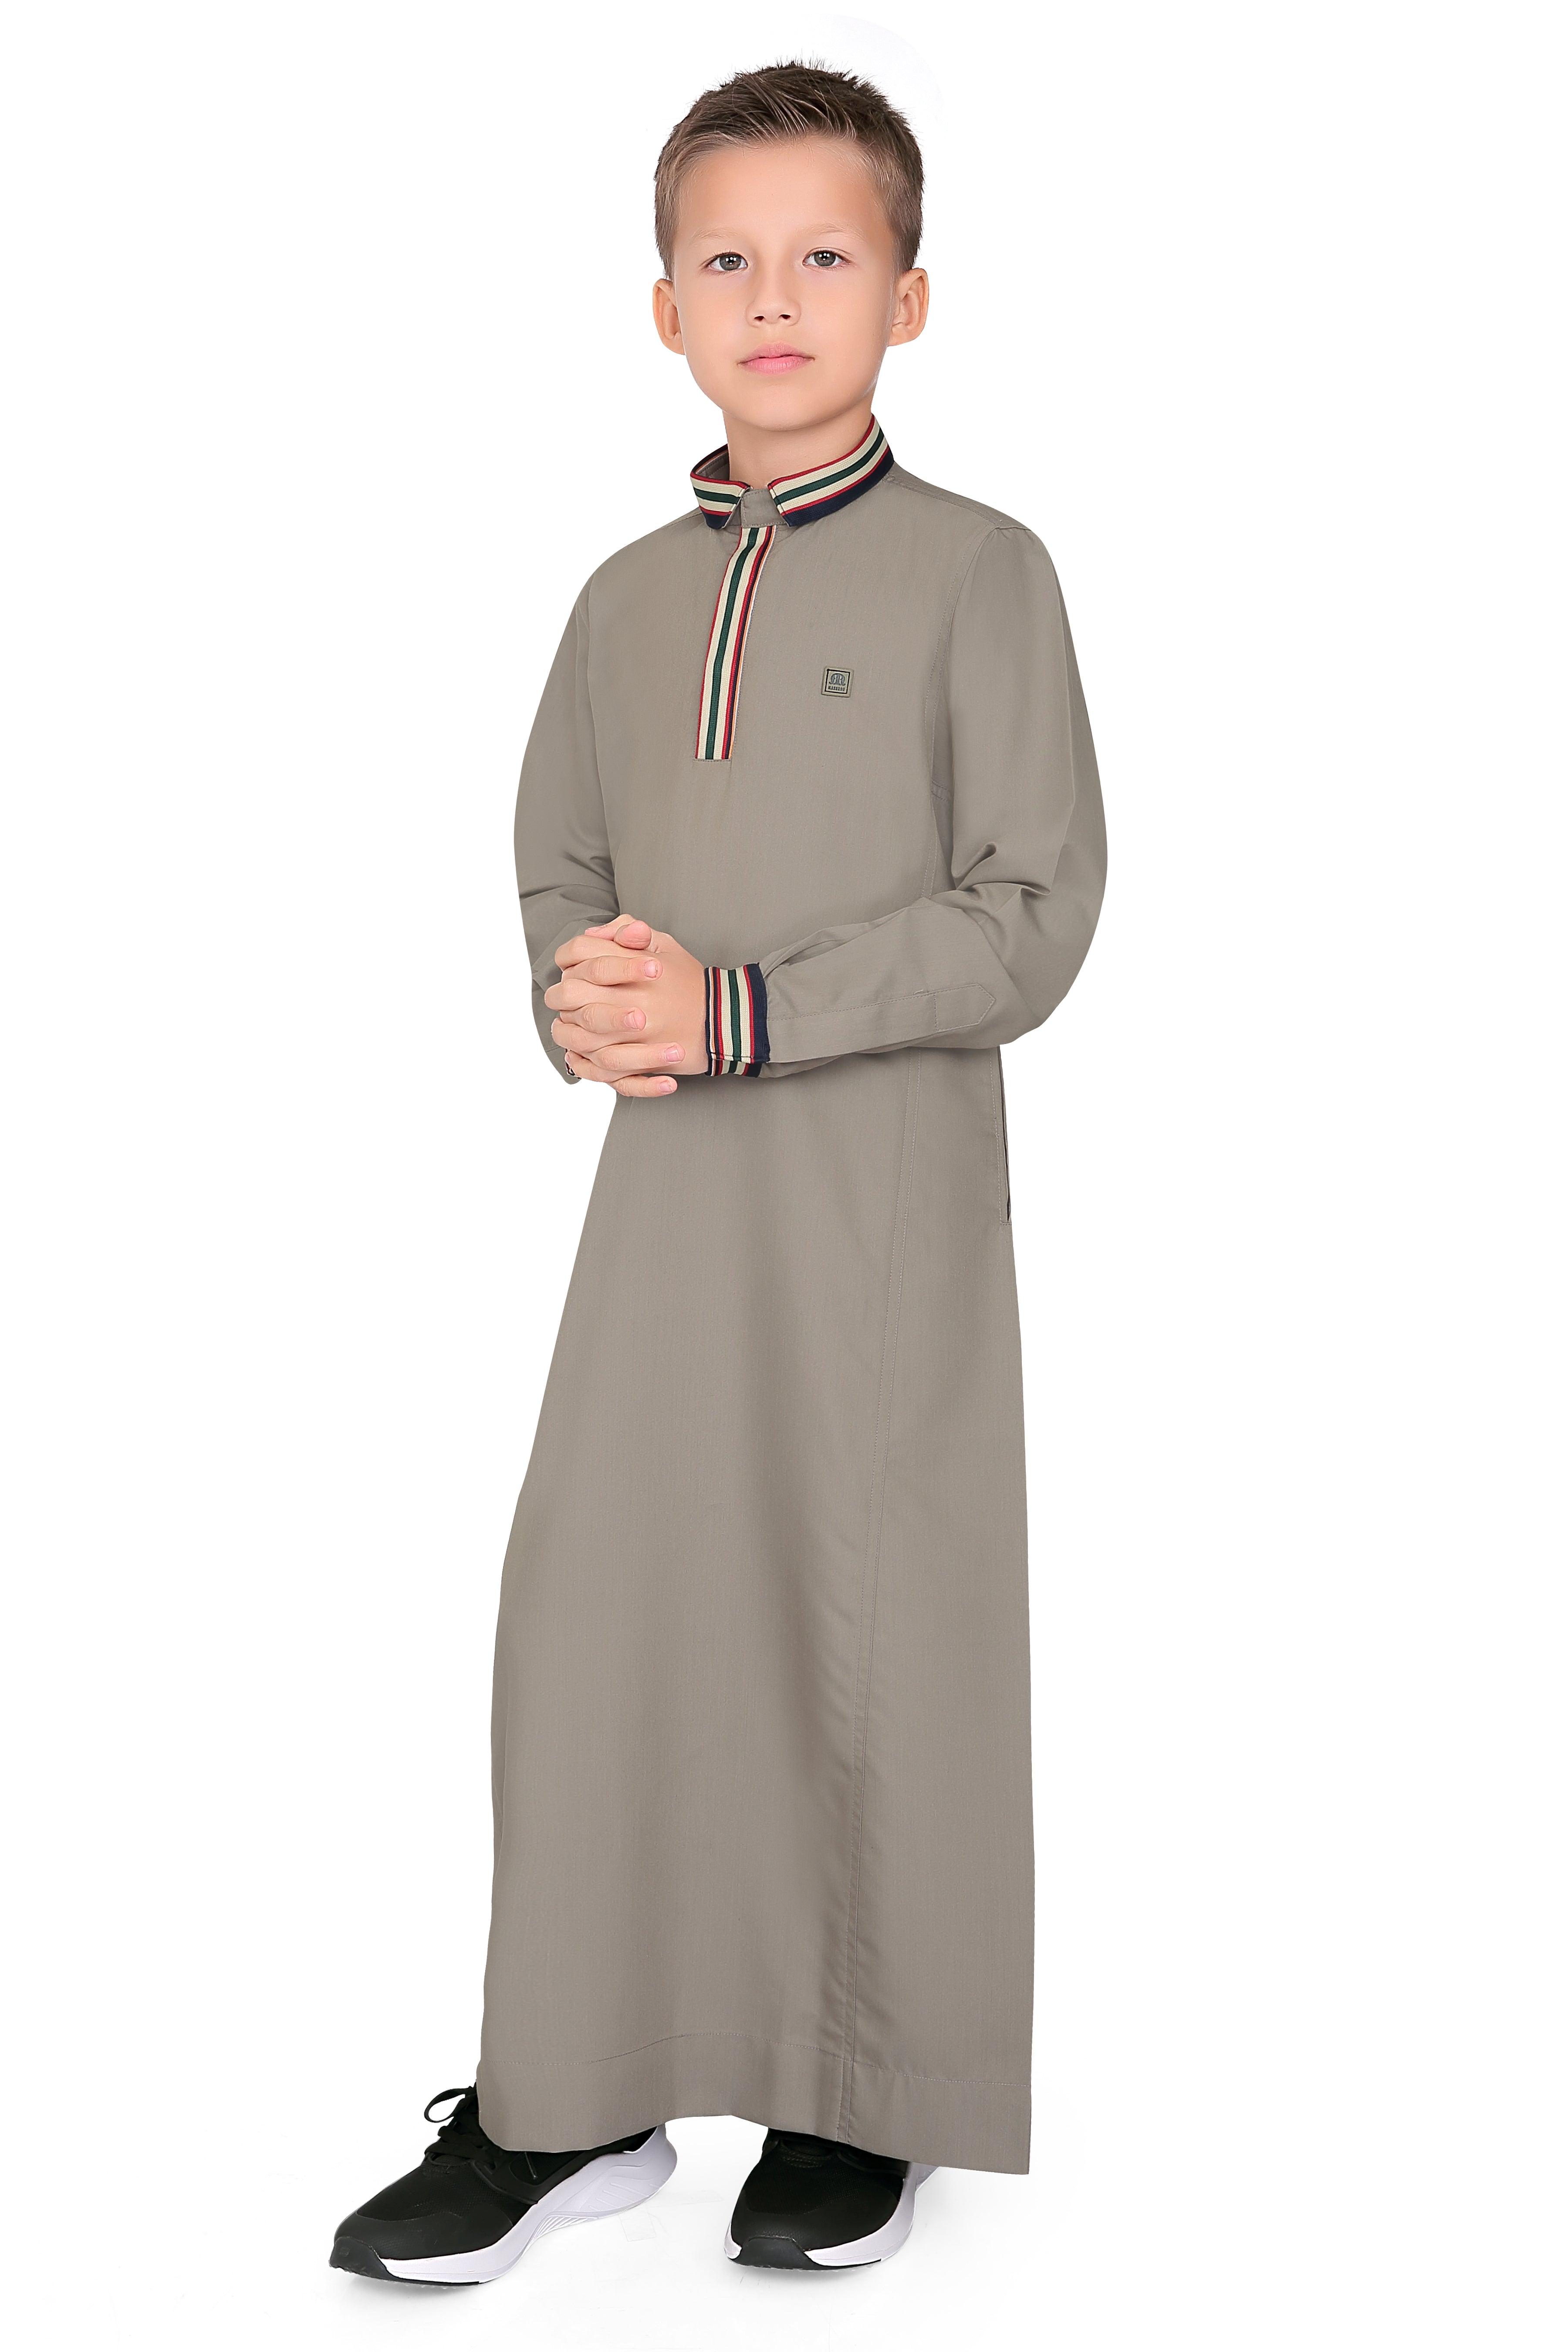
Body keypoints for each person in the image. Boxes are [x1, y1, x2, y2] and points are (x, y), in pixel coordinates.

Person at [331, 57, 1106, 2285]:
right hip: (663, 1211)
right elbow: (559, 869)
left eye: (825, 255)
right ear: (663, 307)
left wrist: (749, 1008)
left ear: (910, 297)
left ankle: (862, 2092)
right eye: (727, 260)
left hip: (877, 1214)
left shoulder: (985, 574)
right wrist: (582, 996)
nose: (776, 298)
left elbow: (1033, 915)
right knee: (602, 1613)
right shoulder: (616, 602)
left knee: (866, 1624)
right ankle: (572, 2094)